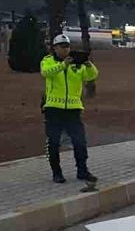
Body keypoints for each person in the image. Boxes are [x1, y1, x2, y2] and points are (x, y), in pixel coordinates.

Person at [41, 34, 98, 184]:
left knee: (80, 141)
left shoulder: (76, 65)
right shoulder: (48, 61)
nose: (66, 49)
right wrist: (63, 65)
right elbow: (46, 72)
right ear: (55, 48)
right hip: (54, 108)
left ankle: (82, 170)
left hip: (73, 109)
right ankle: (56, 172)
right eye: (62, 46)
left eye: (68, 46)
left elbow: (92, 75)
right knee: (53, 142)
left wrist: (87, 64)